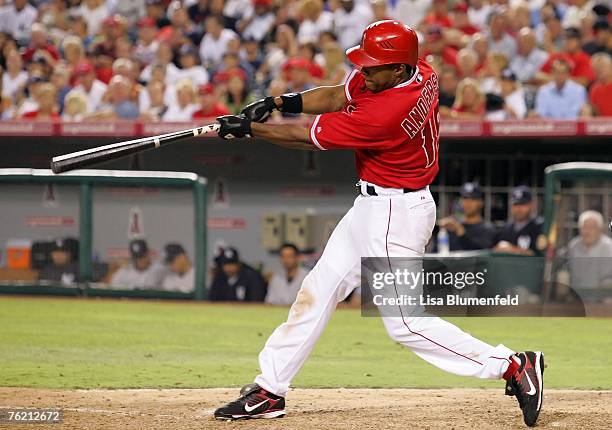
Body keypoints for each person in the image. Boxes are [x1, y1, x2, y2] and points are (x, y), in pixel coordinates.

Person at [213, 20, 544, 426]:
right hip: (372, 207)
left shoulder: (385, 113)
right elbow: (338, 94)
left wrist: (250, 129)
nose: (364, 72)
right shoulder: (418, 71)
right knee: (318, 289)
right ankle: (270, 390)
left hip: (395, 215)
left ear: (398, 70)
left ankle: (512, 365)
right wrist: (282, 102)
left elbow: (304, 138)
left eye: (373, 67)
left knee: (405, 323)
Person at [438, 183, 496, 251]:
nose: (468, 203)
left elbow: (482, 254)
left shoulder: (488, 230)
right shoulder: (452, 227)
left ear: (480, 202)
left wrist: (461, 233)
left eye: (473, 199)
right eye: (465, 198)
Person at [565, 211, 612, 293]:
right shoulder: (573, 246)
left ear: (600, 229)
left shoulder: (609, 247)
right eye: (584, 227)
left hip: (603, 298)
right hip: (577, 298)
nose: (587, 231)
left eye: (591, 227)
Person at [494, 186, 546, 256]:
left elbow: (540, 256)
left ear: (532, 205)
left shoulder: (540, 227)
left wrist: (513, 249)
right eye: (516, 204)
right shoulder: (505, 229)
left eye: (523, 204)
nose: (519, 209)